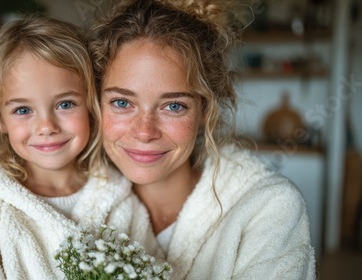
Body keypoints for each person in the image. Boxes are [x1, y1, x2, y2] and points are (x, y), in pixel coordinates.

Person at [0, 15, 160, 279]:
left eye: (65, 104)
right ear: (0, 119)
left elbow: (151, 268)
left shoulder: (118, 196)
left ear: (90, 105)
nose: (46, 126)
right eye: (23, 110)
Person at [89, 0, 316, 279]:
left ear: (205, 110)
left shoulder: (269, 207)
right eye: (122, 102)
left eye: (174, 106)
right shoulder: (76, 201)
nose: (145, 131)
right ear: (95, 103)